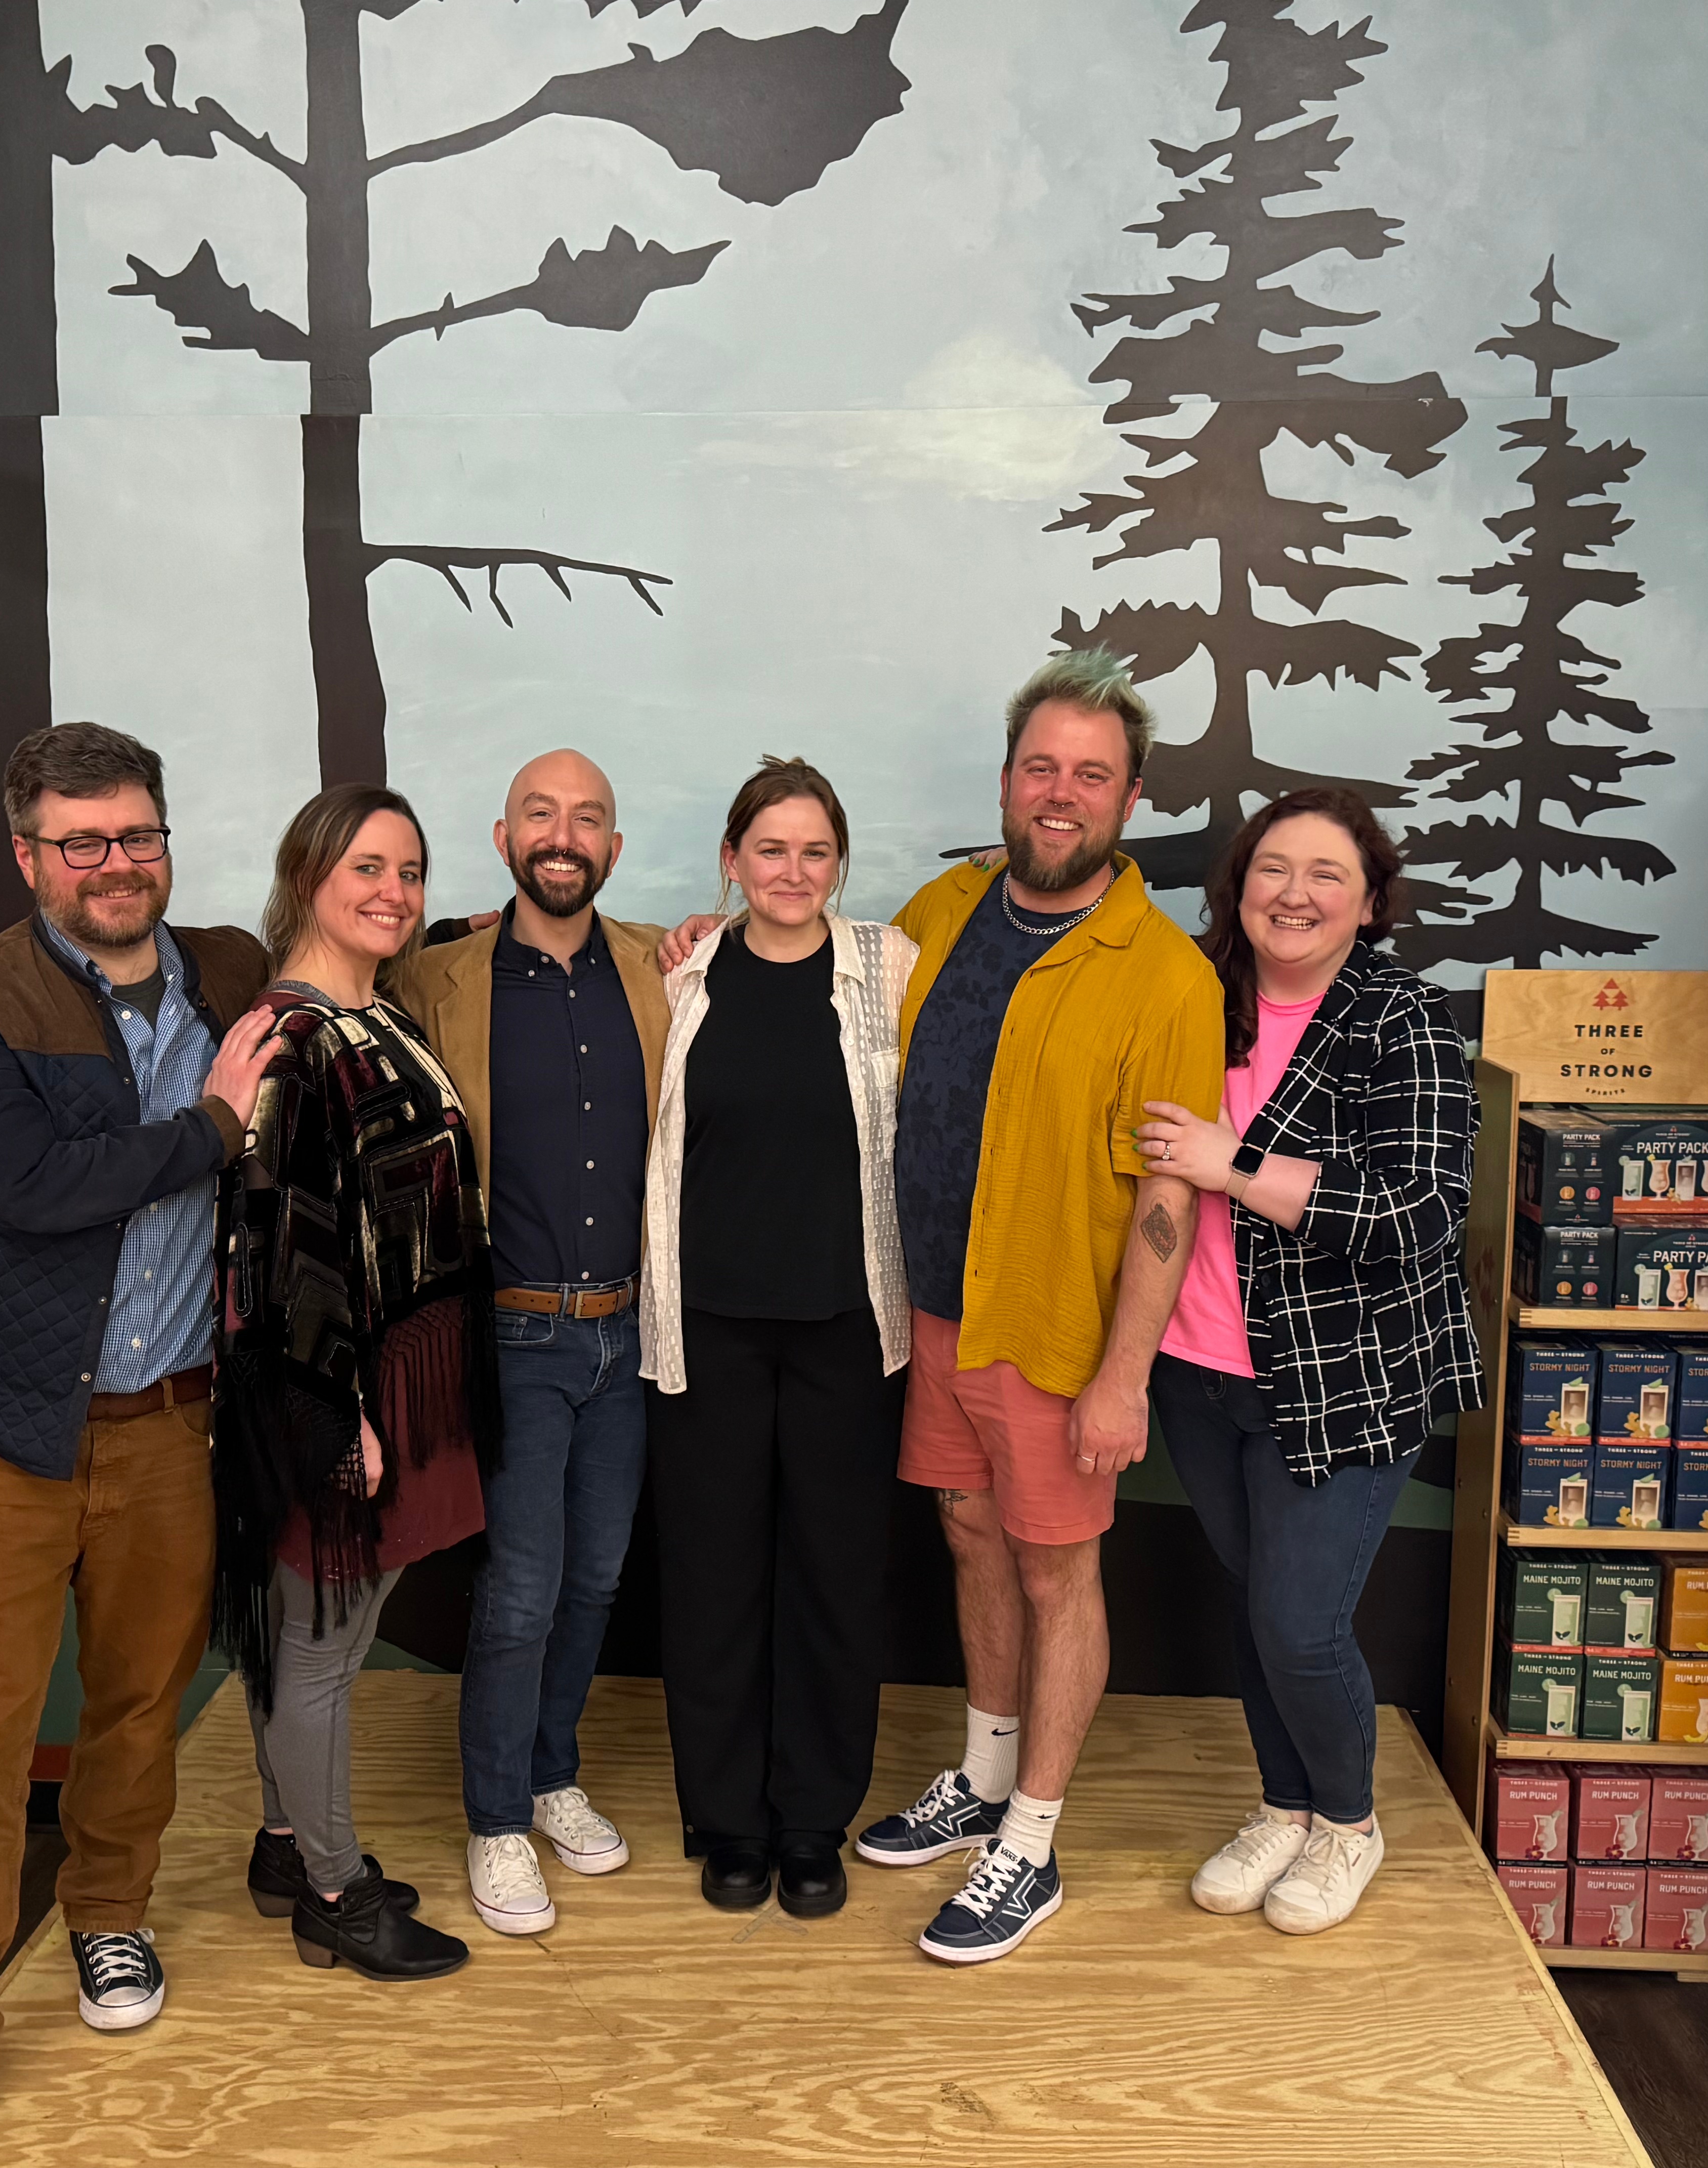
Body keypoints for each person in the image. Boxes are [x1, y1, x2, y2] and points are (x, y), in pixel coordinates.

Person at [0, 723, 277, 2168]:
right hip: (2, 1432)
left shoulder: (227, 971)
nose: (119, 863)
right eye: (86, 841)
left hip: (170, 1424)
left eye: (140, 835)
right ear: (30, 855)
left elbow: (361, 943)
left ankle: (108, 1916)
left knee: (137, 1704)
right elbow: (28, 1185)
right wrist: (215, 1127)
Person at [857, 651, 1226, 1965]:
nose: (1059, 795)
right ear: (1007, 780)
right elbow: (827, 1003)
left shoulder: (1167, 976)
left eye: (1091, 774)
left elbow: (1172, 1201)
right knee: (970, 1534)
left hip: (1059, 1332)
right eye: (1040, 767)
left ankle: (1035, 1837)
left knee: (1058, 1564)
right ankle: (985, 1771)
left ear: (1128, 800)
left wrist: (1124, 1376)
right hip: (944, 1312)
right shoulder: (945, 907)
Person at [1132, 789, 1480, 1934]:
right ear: (1238, 886)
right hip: (1196, 1366)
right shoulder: (1193, 994)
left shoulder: (1406, 1020)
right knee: (1256, 1599)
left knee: (1298, 1619)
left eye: (1326, 874)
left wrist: (1235, 1165)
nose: (1295, 894)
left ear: (1369, 900)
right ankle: (1282, 1804)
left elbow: (1416, 1213)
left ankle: (1348, 1823)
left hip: (1349, 1373)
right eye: (1273, 869)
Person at [212, 783, 496, 1982]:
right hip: (337, 1382)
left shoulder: (378, 1010)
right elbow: (279, 1252)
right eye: (367, 869)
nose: (394, 892)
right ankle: (334, 1891)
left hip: (401, 1364)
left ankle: (288, 1843)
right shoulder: (292, 1037)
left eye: (411, 871)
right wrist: (342, 1417)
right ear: (308, 876)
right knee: (323, 1645)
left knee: (323, 1633)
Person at [386, 751, 670, 1937]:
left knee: (599, 1576)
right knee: (520, 1591)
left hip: (630, 1335)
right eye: (542, 815)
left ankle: (552, 1775)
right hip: (513, 1335)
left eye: (589, 818)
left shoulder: (665, 965)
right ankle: (497, 1819)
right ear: (503, 836)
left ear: (615, 845)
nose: (565, 835)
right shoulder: (432, 975)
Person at [639, 759, 915, 1919]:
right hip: (707, 1330)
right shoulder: (683, 974)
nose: (792, 871)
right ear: (730, 861)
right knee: (712, 1580)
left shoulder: (887, 970)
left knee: (834, 1581)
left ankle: (812, 1820)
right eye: (770, 850)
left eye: (814, 852)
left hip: (848, 1329)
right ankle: (728, 1820)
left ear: (838, 864)